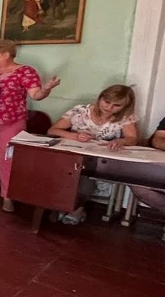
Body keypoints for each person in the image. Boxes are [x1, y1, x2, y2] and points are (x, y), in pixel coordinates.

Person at [0, 39, 60, 212]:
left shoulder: (25, 71)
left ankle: (7, 195)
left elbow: (36, 95)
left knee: (8, 159)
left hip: (10, 123)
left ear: (6, 54)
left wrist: (47, 88)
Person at [46, 85, 138, 224]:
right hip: (73, 154)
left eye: (116, 105)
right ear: (100, 98)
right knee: (68, 167)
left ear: (124, 106)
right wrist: (74, 136)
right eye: (107, 102)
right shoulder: (80, 111)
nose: (109, 107)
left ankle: (76, 207)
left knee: (86, 171)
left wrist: (120, 141)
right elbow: (52, 130)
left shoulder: (124, 118)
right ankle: (61, 204)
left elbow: (133, 139)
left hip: (100, 159)